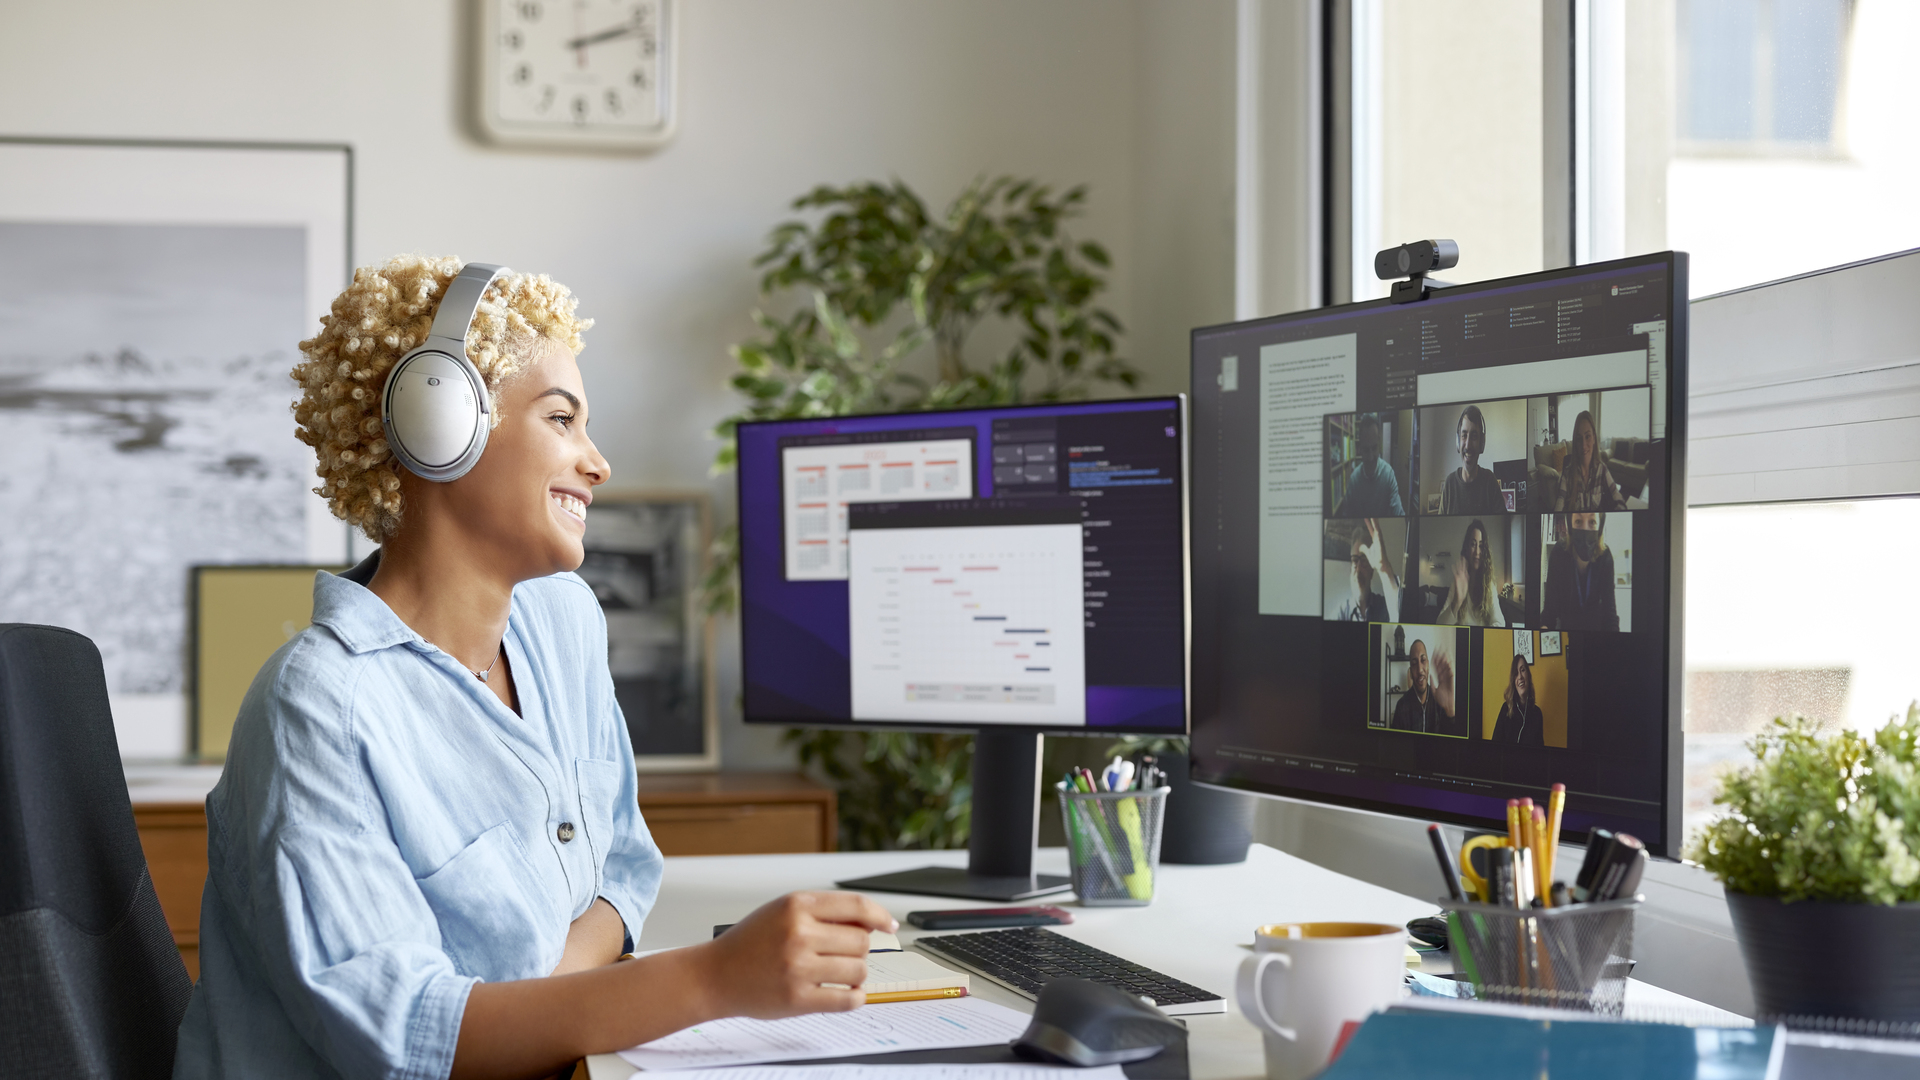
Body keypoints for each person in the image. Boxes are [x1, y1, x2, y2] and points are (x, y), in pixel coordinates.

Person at [173, 256, 895, 1080]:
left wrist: (526, 1014)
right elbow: (405, 1038)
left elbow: (623, 867)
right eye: (563, 419)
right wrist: (713, 979)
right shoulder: (320, 708)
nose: (598, 462)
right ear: (440, 425)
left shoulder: (563, 621)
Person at [1540, 511, 1619, 631]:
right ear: (1570, 527)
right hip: (1567, 634)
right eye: (1578, 521)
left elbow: (1610, 614)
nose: (1585, 529)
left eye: (1592, 522)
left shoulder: (1605, 557)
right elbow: (1550, 610)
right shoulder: (1559, 553)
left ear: (1600, 527)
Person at [1437, 518, 1506, 627]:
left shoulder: (1489, 586)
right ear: (1467, 548)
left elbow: (1500, 623)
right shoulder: (1457, 583)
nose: (1477, 552)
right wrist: (1456, 602)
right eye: (1473, 544)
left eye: (1481, 546)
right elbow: (1439, 624)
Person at [1333, 413, 1405, 517]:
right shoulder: (1354, 480)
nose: (1371, 457)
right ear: (1360, 449)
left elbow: (1399, 512)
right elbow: (1346, 515)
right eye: (1366, 450)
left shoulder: (1388, 474)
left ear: (1379, 444)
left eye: (1374, 448)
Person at [1389, 637, 1462, 736]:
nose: (1420, 670)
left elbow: (1452, 743)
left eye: (1423, 660)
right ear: (1410, 672)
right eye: (1414, 663)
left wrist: (1450, 710)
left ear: (1428, 664)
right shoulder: (1401, 706)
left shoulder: (1440, 702)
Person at [1439, 404, 1504, 515]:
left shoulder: (1490, 482)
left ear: (1481, 443)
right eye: (1464, 435)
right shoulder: (1449, 484)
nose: (1468, 445)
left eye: (1474, 436)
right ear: (1458, 441)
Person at [1555, 410, 1624, 512]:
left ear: (1594, 439)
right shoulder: (1568, 474)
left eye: (1587, 437)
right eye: (1579, 439)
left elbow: (1616, 494)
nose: (1583, 445)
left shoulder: (1602, 469)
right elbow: (1560, 502)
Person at [1334, 518, 1401, 622]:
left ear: (1372, 571)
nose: (1359, 568)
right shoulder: (1340, 613)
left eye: (1364, 560)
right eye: (1355, 560)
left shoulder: (1385, 606)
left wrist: (1384, 570)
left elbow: (1400, 621)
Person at [1489, 653, 1545, 745]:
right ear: (1513, 680)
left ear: (1528, 675)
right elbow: (1494, 747)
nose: (1520, 677)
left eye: (1523, 670)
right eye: (1516, 673)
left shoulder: (1537, 713)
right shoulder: (1505, 709)